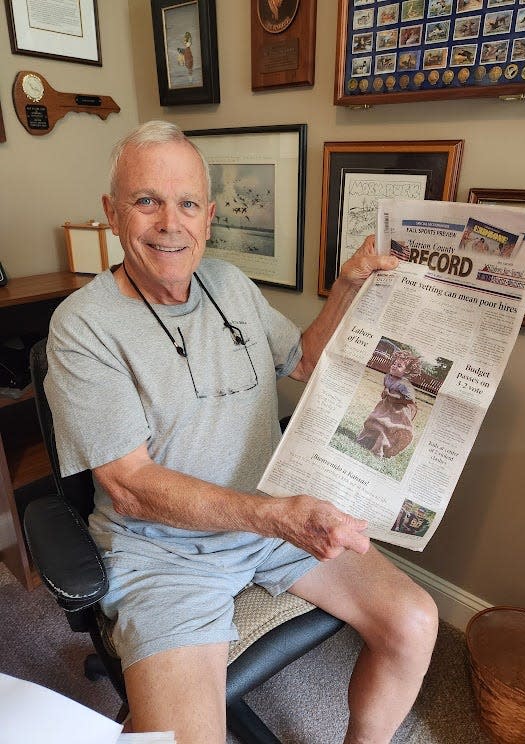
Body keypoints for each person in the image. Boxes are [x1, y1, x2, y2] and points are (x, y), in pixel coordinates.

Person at [45, 121, 438, 744]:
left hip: (269, 523)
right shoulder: (83, 326)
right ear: (112, 214)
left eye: (188, 203)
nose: (170, 223)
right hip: (163, 556)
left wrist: (348, 287)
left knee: (415, 621)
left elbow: (302, 360)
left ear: (209, 216)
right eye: (146, 201)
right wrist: (275, 516)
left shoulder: (230, 285)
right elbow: (131, 487)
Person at [356, 350, 421, 459]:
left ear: (407, 371)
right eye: (394, 363)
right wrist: (385, 391)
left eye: (399, 366)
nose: (394, 366)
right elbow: (386, 385)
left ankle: (380, 449)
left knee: (389, 427)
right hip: (386, 406)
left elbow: (409, 400)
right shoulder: (388, 377)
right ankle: (368, 439)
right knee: (377, 420)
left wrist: (392, 396)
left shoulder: (404, 385)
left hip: (398, 411)